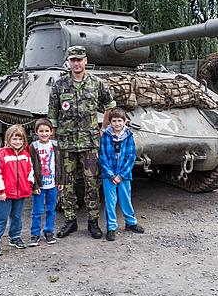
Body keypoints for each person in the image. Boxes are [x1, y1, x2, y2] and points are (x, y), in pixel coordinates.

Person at [48, 45, 116, 239]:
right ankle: (70, 221)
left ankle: (93, 222)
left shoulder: (97, 83)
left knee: (92, 183)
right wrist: (53, 140)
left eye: (80, 60)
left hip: (90, 143)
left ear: (86, 61)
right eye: (73, 60)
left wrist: (103, 128)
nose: (76, 63)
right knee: (67, 183)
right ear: (69, 63)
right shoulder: (59, 85)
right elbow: (52, 114)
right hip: (66, 142)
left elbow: (110, 105)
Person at [99, 107, 144, 241]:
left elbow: (131, 157)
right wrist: (111, 175)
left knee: (125, 199)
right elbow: (103, 156)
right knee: (110, 202)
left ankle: (131, 223)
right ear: (110, 122)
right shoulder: (106, 136)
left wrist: (121, 175)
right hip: (109, 176)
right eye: (114, 121)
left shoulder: (128, 136)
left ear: (124, 121)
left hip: (124, 175)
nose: (117, 124)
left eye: (120, 121)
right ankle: (111, 227)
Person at [0, 124, 34, 257]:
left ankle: (15, 237)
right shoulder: (1, 155)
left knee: (17, 216)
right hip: (6, 193)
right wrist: (0, 191)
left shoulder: (25, 155)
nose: (18, 142)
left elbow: (29, 170)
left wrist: (29, 183)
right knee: (1, 217)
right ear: (8, 139)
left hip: (21, 192)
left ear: (24, 140)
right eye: (14, 139)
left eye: (20, 139)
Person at [29, 118, 64, 246]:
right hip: (40, 184)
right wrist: (34, 185)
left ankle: (49, 231)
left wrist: (60, 180)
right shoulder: (33, 147)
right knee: (37, 210)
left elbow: (60, 164)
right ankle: (35, 234)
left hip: (52, 184)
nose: (44, 134)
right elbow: (30, 166)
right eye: (41, 131)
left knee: (51, 209)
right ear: (36, 132)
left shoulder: (55, 145)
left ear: (51, 132)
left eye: (46, 131)